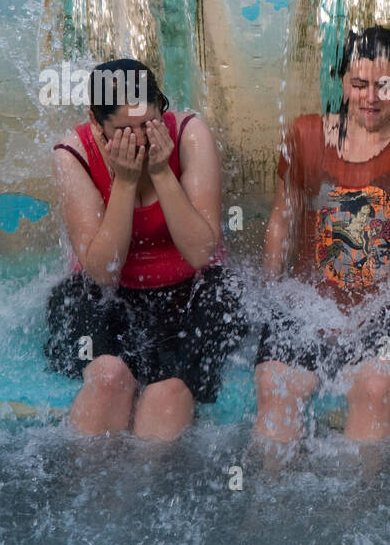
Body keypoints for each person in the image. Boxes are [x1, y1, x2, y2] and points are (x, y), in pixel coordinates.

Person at [254, 26, 390, 444]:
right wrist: (270, 293)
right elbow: (282, 219)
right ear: (342, 83)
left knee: (373, 388)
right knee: (276, 386)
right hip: (315, 305)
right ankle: (272, 503)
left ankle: (360, 503)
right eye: (359, 85)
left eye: (383, 86)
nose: (371, 98)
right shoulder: (305, 135)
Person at [45, 58, 243, 441]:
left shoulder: (188, 134)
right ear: (96, 122)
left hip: (192, 290)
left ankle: (153, 490)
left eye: (148, 125)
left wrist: (160, 172)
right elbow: (103, 272)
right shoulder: (73, 155)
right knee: (107, 379)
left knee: (167, 393)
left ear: (160, 109)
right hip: (109, 294)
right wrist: (125, 183)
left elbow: (202, 253)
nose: (140, 140)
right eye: (123, 131)